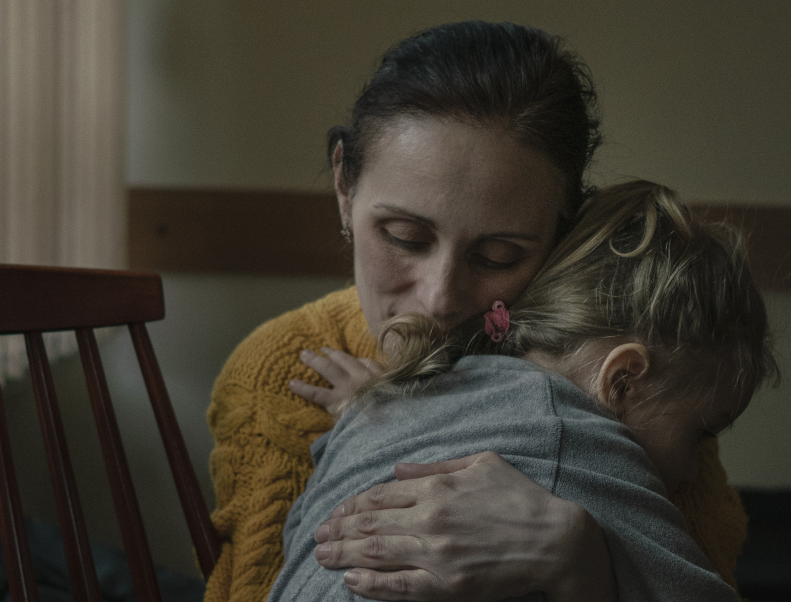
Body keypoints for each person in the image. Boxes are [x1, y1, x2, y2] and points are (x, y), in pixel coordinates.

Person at [207, 21, 751, 602]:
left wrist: (587, 570)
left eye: (497, 256)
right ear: (345, 188)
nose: (440, 297)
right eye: (405, 237)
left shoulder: (638, 380)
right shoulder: (286, 371)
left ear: (563, 236)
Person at [267, 180, 776, 602]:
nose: (695, 467)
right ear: (622, 379)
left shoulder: (393, 403)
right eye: (700, 433)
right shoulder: (580, 445)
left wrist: (368, 411)